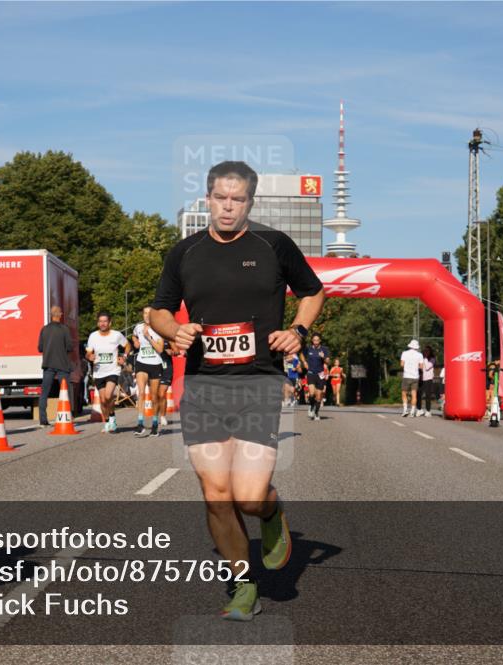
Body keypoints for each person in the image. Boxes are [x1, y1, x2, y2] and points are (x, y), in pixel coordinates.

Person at [150, 160, 324, 621]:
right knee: (216, 493)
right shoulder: (184, 252)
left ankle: (270, 514)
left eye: (238, 199)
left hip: (258, 382)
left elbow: (313, 291)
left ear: (250, 201)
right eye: (221, 198)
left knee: (248, 496)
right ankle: (244, 586)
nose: (229, 207)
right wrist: (174, 332)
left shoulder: (274, 245)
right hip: (204, 384)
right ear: (207, 198)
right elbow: (159, 310)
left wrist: (299, 331)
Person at [85, 311, 129, 433]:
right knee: (103, 400)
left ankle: (112, 419)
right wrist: (89, 357)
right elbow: (88, 352)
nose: (102, 324)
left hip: (113, 370)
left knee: (109, 395)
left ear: (110, 322)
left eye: (105, 321)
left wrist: (124, 356)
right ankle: (108, 420)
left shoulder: (116, 335)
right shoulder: (93, 336)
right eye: (100, 321)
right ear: (98, 323)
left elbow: (127, 345)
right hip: (99, 372)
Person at [37, 305, 73, 427]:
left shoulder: (44, 329)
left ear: (51, 315)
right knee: (65, 392)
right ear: (60, 314)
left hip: (48, 364)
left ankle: (43, 419)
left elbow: (40, 348)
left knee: (44, 392)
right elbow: (69, 347)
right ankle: (67, 415)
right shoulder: (64, 329)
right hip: (62, 365)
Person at [132, 306, 165, 437]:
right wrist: (136, 342)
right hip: (141, 362)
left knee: (154, 396)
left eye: (149, 313)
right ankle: (140, 424)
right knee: (140, 393)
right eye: (145, 313)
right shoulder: (138, 327)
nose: (146, 315)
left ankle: (155, 424)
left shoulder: (159, 329)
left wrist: (148, 337)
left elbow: (161, 349)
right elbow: (134, 336)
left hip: (155, 364)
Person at [300, 334, 330, 421]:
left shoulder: (324, 349)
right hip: (311, 373)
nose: (316, 342)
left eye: (317, 340)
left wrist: (323, 357)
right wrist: (304, 362)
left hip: (320, 374)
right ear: (312, 340)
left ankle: (316, 413)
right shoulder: (308, 348)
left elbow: (327, 361)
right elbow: (301, 354)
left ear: (320, 340)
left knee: (319, 396)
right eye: (314, 340)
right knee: (312, 393)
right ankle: (311, 406)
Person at [400, 339, 424, 417]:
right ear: (416, 347)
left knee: (404, 393)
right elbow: (421, 366)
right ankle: (413, 411)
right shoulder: (420, 355)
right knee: (414, 394)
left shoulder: (404, 353)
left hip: (406, 376)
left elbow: (402, 364)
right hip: (415, 377)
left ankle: (405, 409)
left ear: (410, 346)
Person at [416, 346, 436, 417]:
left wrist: (424, 359)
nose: (425, 352)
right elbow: (418, 367)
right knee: (418, 395)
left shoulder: (432, 359)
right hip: (420, 379)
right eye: (424, 351)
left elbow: (427, 367)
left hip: (428, 379)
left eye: (427, 351)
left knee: (428, 395)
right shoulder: (421, 359)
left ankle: (428, 411)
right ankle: (419, 410)